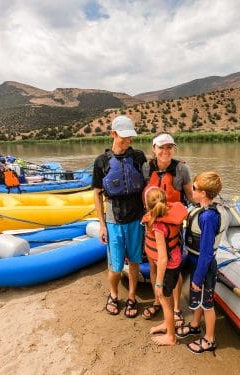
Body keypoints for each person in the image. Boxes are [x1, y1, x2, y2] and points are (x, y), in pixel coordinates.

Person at [92, 115, 146, 318]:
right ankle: (114, 295)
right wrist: (102, 225)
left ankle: (132, 296)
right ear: (113, 134)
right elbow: (97, 193)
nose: (127, 141)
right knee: (115, 266)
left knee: (134, 261)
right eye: (123, 137)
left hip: (136, 219)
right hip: (114, 221)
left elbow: (148, 187)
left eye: (130, 137)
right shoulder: (101, 162)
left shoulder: (138, 157)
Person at [141, 133, 194, 328]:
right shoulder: (146, 167)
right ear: (154, 149)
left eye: (169, 147)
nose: (165, 151)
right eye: (161, 147)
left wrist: (208, 200)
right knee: (154, 263)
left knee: (174, 266)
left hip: (172, 227)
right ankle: (158, 301)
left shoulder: (182, 169)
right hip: (153, 224)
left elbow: (190, 196)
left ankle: (177, 308)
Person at [176, 171, 229, 354]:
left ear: (204, 193)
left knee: (207, 304)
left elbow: (206, 253)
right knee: (198, 301)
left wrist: (198, 279)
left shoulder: (208, 217)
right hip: (195, 261)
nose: (192, 189)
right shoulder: (203, 210)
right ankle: (195, 324)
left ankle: (209, 339)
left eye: (195, 188)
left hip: (203, 267)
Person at [142, 187, 187, 345]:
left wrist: (159, 282)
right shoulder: (168, 215)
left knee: (165, 301)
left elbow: (162, 258)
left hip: (168, 267)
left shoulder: (158, 226)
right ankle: (167, 325)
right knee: (165, 300)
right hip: (175, 261)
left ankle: (171, 337)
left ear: (147, 206)